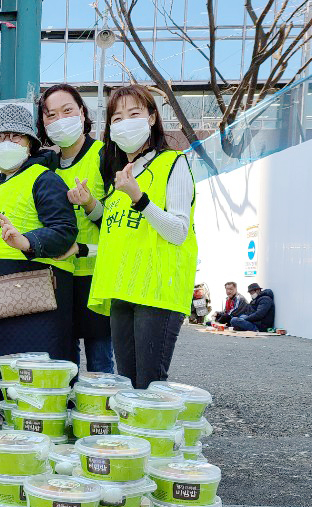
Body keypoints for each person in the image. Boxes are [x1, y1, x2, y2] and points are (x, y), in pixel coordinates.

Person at [87, 84, 197, 389]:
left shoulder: (173, 163)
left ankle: (157, 438)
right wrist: (87, 212)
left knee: (149, 385)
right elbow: (118, 237)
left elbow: (177, 231)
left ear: (151, 118)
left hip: (156, 293)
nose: (125, 123)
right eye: (117, 118)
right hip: (123, 291)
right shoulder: (119, 176)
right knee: (127, 384)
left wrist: (140, 198)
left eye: (134, 113)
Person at [0, 104, 78, 383]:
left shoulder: (44, 180)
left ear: (30, 144)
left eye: (15, 136)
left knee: (33, 378)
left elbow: (65, 231)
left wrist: (27, 241)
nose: (6, 143)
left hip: (31, 296)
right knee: (3, 379)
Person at [37, 83, 113, 373]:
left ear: (82, 112)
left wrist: (91, 204)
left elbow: (120, 225)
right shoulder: (45, 165)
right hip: (57, 275)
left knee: (100, 360)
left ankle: (99, 415)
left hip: (95, 274)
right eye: (51, 115)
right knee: (61, 359)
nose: (60, 120)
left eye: (67, 110)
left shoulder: (104, 156)